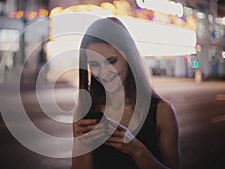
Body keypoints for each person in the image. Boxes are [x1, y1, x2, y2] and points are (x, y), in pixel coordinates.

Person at [72, 17, 181, 169]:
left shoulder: (161, 112)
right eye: (95, 64)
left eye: (111, 61)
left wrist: (136, 150)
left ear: (129, 57)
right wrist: (80, 143)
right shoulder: (86, 111)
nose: (103, 73)